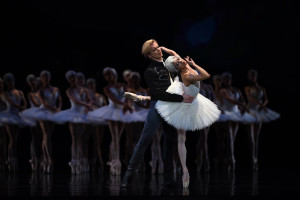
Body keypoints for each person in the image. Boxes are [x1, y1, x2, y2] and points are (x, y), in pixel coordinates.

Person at [124, 47, 220, 188]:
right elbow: (206, 75)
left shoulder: (182, 65)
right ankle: (185, 170)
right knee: (181, 137)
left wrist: (163, 49)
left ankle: (142, 97)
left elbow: (174, 54)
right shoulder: (187, 74)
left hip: (191, 99)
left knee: (182, 137)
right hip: (185, 101)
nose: (180, 59)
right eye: (178, 62)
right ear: (178, 67)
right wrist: (193, 65)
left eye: (179, 59)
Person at [120, 39, 194, 189]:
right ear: (149, 54)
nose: (158, 50)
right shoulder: (150, 71)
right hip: (158, 106)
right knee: (144, 140)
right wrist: (181, 98)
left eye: (158, 47)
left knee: (169, 142)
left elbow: (183, 66)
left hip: (172, 107)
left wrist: (173, 54)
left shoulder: (170, 63)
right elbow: (159, 94)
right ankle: (128, 175)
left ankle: (168, 180)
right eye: (154, 49)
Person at [87, 67, 143, 176]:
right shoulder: (106, 88)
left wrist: (126, 104)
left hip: (122, 111)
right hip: (112, 110)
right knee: (115, 137)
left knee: (118, 137)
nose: (109, 77)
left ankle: (114, 159)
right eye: (107, 75)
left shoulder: (123, 85)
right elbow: (113, 99)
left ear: (114, 74)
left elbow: (127, 96)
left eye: (110, 74)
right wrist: (125, 105)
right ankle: (115, 160)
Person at [244, 68, 280, 170]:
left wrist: (263, 105)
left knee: (256, 137)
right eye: (251, 76)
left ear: (255, 77)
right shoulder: (247, 88)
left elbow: (266, 99)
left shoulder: (261, 89)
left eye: (253, 75)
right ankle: (252, 157)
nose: (252, 77)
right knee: (250, 137)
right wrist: (260, 104)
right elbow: (250, 98)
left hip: (258, 111)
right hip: (250, 110)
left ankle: (256, 158)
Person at [29, 70, 62, 173]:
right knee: (46, 134)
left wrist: (59, 108)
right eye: (43, 77)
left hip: (53, 113)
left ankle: (45, 157)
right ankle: (48, 158)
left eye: (47, 76)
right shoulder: (41, 91)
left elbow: (60, 99)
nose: (45, 78)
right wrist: (55, 108)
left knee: (48, 136)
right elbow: (44, 103)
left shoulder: (56, 89)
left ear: (50, 77)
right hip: (44, 112)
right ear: (41, 79)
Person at [0, 73, 30, 172]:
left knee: (15, 139)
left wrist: (24, 107)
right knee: (11, 138)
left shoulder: (19, 92)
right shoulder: (4, 93)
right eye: (8, 81)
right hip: (9, 115)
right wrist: (21, 107)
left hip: (17, 115)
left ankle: (13, 158)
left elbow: (25, 102)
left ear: (14, 81)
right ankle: (10, 158)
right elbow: (11, 103)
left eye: (11, 81)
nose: (10, 83)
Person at [20, 74, 43, 171]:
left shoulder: (40, 92)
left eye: (34, 80)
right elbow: (37, 104)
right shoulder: (30, 94)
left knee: (42, 137)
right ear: (29, 83)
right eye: (31, 81)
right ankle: (34, 158)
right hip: (33, 114)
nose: (33, 82)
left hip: (41, 114)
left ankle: (42, 157)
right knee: (34, 137)